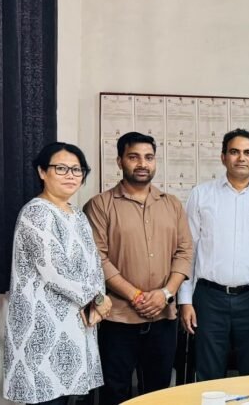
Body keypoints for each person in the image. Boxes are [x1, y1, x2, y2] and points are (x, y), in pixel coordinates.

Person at [84, 132, 193, 404]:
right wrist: (136, 296)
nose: (142, 164)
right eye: (134, 157)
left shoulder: (172, 204)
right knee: (115, 391)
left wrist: (165, 293)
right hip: (118, 319)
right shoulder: (100, 205)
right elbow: (98, 258)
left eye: (149, 157)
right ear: (119, 161)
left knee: (159, 392)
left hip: (163, 316)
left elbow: (184, 252)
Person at [3, 142, 112, 405]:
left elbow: (94, 264)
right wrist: (98, 299)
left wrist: (98, 302)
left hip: (79, 322)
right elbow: (55, 269)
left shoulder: (77, 215)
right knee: (48, 398)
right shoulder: (36, 212)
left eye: (77, 169)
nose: (71, 175)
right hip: (43, 327)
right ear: (42, 172)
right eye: (61, 168)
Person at [178, 129, 249, 381]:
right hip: (209, 298)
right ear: (223, 157)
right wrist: (185, 300)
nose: (241, 158)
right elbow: (188, 250)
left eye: (248, 152)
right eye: (234, 152)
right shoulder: (201, 195)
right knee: (208, 374)